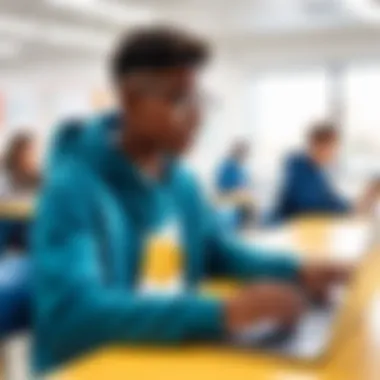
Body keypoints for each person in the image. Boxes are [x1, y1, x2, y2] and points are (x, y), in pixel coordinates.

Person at [33, 27, 350, 373]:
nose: (197, 117)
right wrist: (222, 313)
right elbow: (73, 316)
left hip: (164, 357)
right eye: (179, 99)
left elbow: (218, 253)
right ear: (128, 99)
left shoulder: (181, 181)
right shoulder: (72, 188)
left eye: (199, 100)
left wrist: (298, 270)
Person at [273, 123, 352, 222]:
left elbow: (329, 197)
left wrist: (350, 206)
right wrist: (348, 208)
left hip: (301, 225)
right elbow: (312, 204)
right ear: (319, 146)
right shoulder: (297, 165)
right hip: (285, 227)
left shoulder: (317, 169)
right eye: (332, 148)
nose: (334, 154)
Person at [0, 132, 38, 337]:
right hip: (13, 242)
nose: (34, 157)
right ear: (18, 153)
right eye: (30, 152)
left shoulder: (37, 177)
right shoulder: (5, 180)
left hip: (29, 245)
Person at [215, 142, 255, 228]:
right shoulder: (227, 166)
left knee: (251, 205)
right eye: (241, 151)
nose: (243, 155)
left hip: (238, 202)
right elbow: (222, 187)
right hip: (228, 200)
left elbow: (244, 186)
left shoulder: (242, 168)